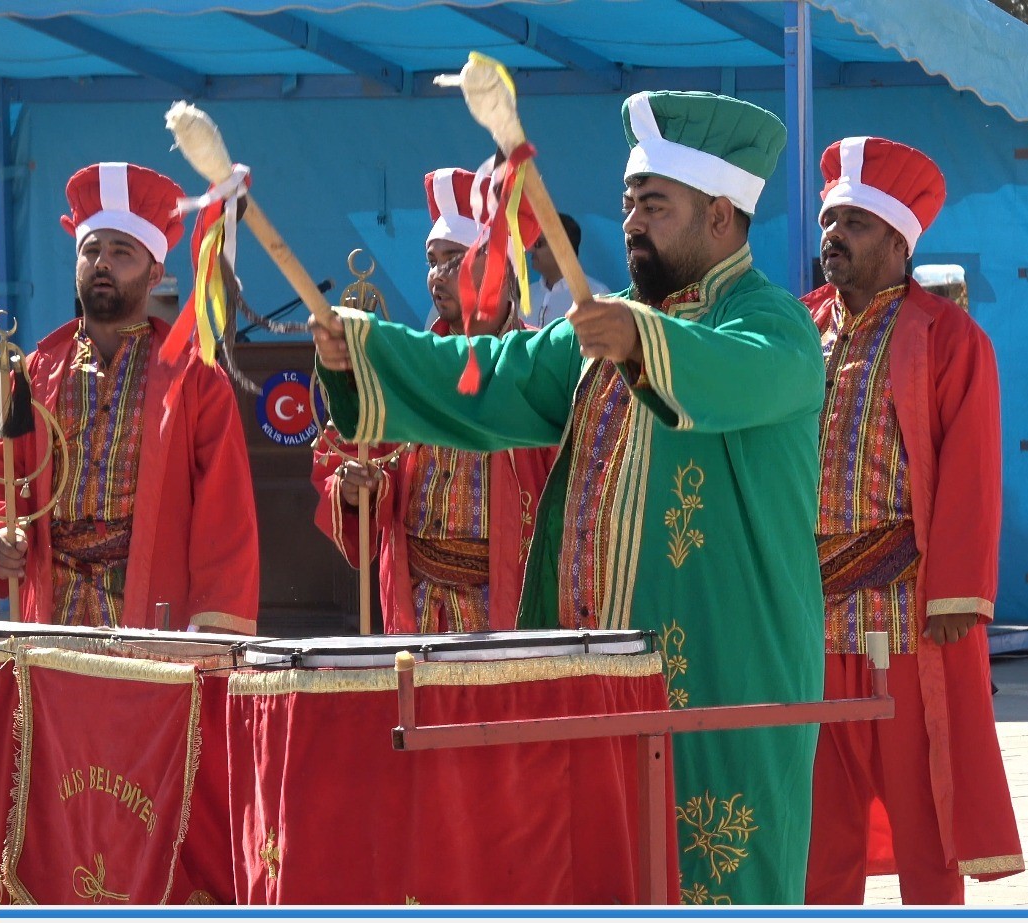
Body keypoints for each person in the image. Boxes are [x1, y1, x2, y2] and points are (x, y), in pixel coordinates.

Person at [311, 90, 824, 904]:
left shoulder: (776, 325)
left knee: (717, 880)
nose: (631, 222)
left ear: (722, 217)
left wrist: (644, 341)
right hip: (590, 679)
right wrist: (364, 352)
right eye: (627, 203)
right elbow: (486, 378)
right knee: (594, 875)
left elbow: (742, 373)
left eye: (654, 205)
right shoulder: (606, 324)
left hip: (723, 675)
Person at [799, 137, 1023, 904]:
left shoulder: (948, 336)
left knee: (928, 818)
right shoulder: (794, 331)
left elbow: (972, 471)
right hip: (805, 618)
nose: (833, 235)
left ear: (898, 240)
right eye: (830, 219)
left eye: (855, 222)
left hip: (902, 618)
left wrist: (958, 593)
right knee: (815, 828)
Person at [0, 162, 260, 633]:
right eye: (91, 250)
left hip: (155, 617)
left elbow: (225, 516)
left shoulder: (197, 381)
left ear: (154, 274)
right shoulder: (28, 371)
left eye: (121, 251)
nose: (102, 262)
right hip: (50, 618)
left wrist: (211, 634)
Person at [311, 167, 555, 632]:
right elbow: (353, 457)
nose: (437, 276)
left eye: (454, 258)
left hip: (507, 606)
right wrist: (355, 489)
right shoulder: (409, 363)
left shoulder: (541, 364)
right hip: (416, 605)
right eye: (432, 260)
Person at [528, 212, 607, 327]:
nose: (530, 249)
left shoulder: (596, 295)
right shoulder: (527, 295)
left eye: (538, 243)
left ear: (562, 248)